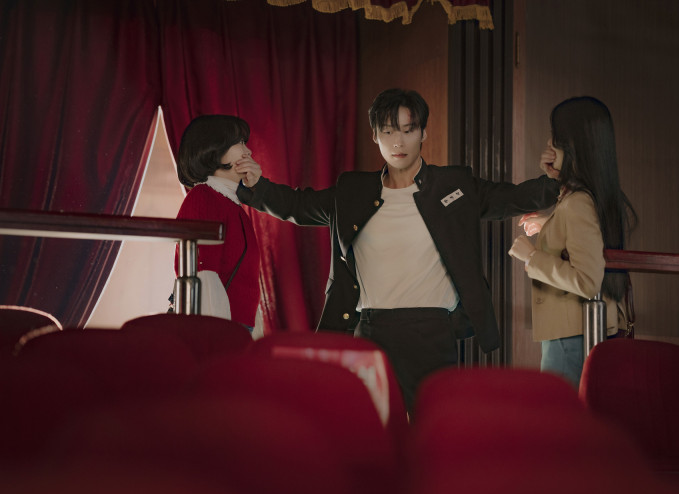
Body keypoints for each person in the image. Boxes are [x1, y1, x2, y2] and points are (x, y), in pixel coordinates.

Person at [236, 88, 560, 413]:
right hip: (370, 329)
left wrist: (553, 179)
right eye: (389, 132)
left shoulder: (454, 186)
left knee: (432, 425)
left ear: (423, 133)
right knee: (368, 425)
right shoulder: (353, 191)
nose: (398, 143)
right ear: (375, 135)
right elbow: (298, 205)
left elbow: (513, 197)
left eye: (408, 130)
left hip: (432, 330)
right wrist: (256, 186)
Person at [508, 96, 637, 388]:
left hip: (571, 335)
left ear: (575, 145)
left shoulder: (579, 202)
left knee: (561, 412)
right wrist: (556, 183)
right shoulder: (591, 194)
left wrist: (531, 257)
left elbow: (587, 280)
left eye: (556, 138)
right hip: (579, 330)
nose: (549, 144)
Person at [174, 115, 261, 331]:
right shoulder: (204, 196)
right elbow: (202, 271)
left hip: (237, 326)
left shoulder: (230, 202)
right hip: (221, 327)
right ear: (214, 149)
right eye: (239, 143)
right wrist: (217, 334)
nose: (248, 151)